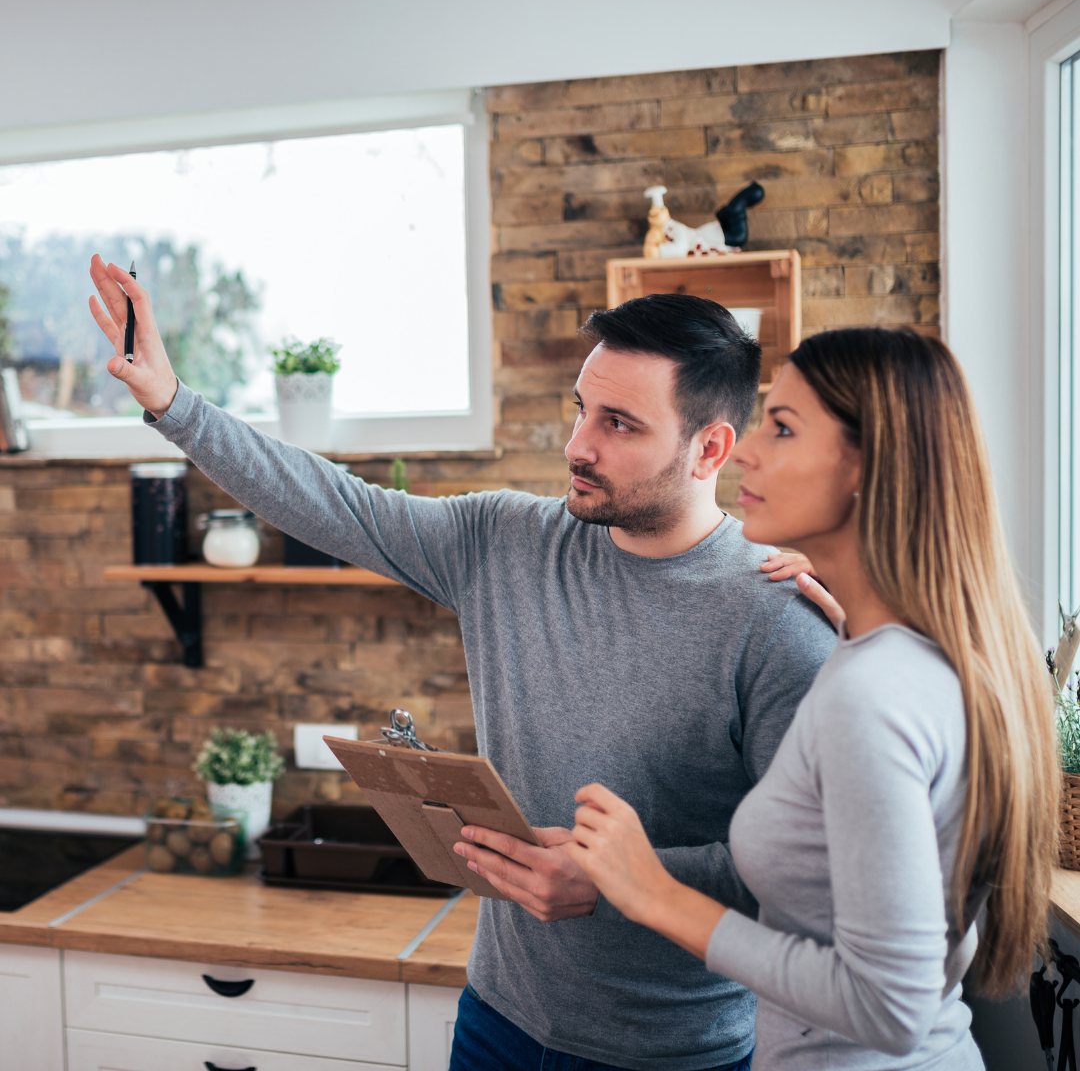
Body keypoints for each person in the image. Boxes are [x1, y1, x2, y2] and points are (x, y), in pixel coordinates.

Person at [88, 256, 836, 1071]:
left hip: (673, 1053)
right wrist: (172, 402)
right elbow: (335, 504)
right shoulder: (504, 541)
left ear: (710, 448)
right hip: (497, 1023)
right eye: (581, 410)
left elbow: (809, 870)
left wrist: (619, 880)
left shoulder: (778, 619)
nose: (575, 445)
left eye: (619, 424)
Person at [567, 327, 1059, 1070]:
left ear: (870, 468)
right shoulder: (908, 656)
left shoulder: (874, 694)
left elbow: (889, 1007)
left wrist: (651, 892)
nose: (748, 450)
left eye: (784, 428)